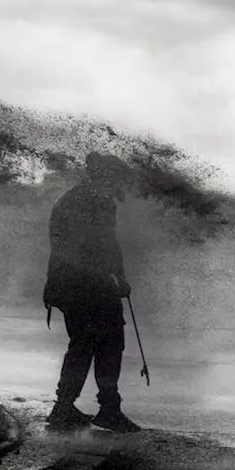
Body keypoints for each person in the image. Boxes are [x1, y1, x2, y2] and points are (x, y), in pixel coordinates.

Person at [42, 153, 140, 433]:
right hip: (87, 285)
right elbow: (100, 245)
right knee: (108, 343)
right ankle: (107, 409)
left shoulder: (77, 197)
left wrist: (116, 275)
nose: (121, 185)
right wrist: (114, 278)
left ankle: (65, 407)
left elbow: (105, 244)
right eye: (118, 178)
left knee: (83, 345)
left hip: (73, 284)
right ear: (107, 177)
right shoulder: (96, 200)